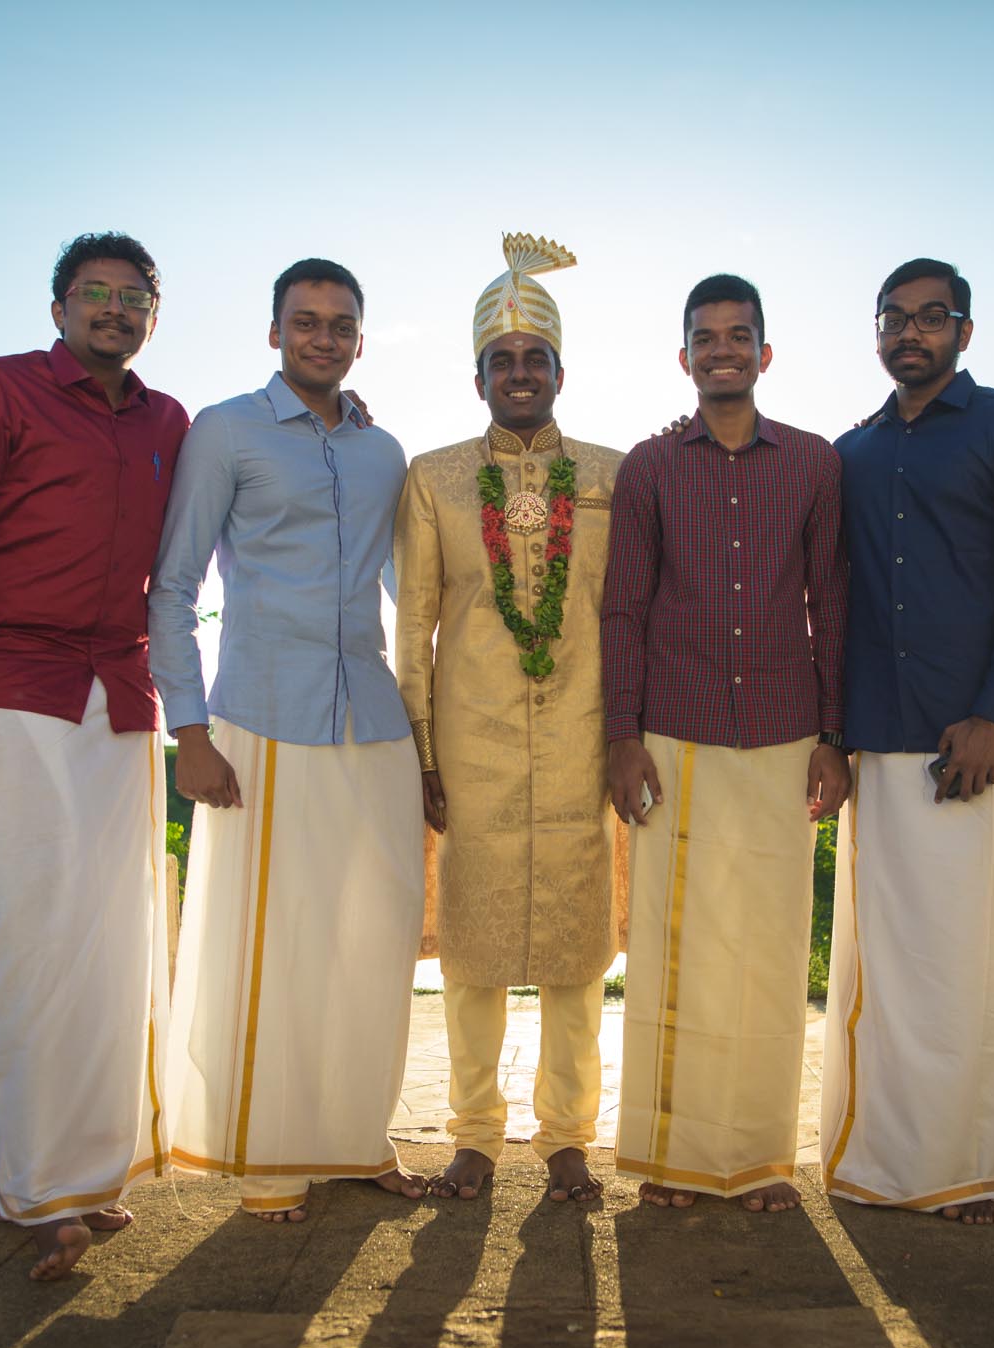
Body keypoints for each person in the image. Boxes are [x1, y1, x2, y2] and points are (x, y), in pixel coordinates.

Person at [0, 232, 187, 1281]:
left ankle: (90, 1175)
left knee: (114, 943)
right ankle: (30, 1190)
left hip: (121, 702)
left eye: (133, 296)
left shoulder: (166, 422)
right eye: (94, 293)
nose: (114, 309)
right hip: (6, 694)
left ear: (155, 310)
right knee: (29, 937)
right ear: (59, 306)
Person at [150, 257, 426, 1223]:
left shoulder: (386, 450)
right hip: (259, 720)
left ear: (361, 336)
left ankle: (355, 1140)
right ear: (275, 332)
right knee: (270, 943)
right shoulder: (224, 431)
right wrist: (189, 731)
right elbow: (175, 588)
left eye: (340, 323)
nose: (323, 336)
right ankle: (267, 1155)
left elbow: (414, 593)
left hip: (376, 725)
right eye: (304, 321)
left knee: (373, 936)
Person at [821, 258, 994, 1225]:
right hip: (875, 740)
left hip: (970, 739)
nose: (912, 332)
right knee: (884, 967)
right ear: (877, 332)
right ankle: (880, 1160)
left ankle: (971, 1166)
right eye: (896, 317)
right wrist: (834, 737)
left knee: (963, 963)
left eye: (933, 317)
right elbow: (833, 598)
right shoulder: (852, 449)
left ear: (964, 331)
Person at [602, 273, 850, 1214]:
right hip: (676, 733)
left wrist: (835, 735)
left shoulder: (816, 465)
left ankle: (756, 1161)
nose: (721, 350)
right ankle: (671, 1157)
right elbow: (624, 608)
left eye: (737, 335)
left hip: (787, 735)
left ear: (764, 352)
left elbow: (831, 603)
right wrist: (622, 738)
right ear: (684, 357)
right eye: (704, 337)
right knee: (676, 950)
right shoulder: (652, 466)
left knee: (771, 951)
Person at [393, 233, 625, 1206]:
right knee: (475, 954)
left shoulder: (616, 476)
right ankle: (476, 1136)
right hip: (474, 747)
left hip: (579, 737)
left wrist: (626, 741)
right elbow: (412, 628)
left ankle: (567, 1137)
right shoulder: (433, 478)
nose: (518, 373)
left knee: (576, 952)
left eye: (535, 359)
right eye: (502, 360)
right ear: (479, 373)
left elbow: (633, 617)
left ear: (560, 372)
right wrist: (421, 756)